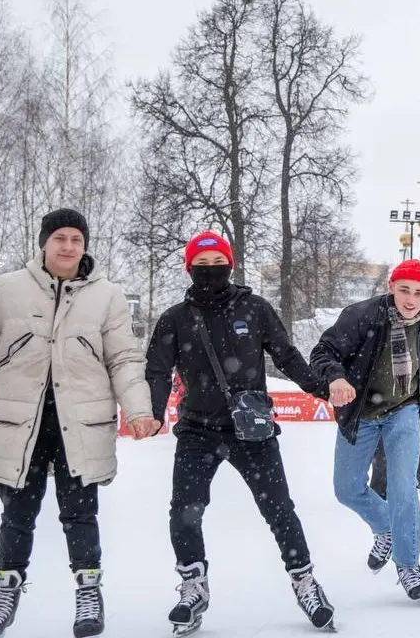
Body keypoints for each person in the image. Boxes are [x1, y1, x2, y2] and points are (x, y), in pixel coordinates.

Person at [0, 208, 161, 638]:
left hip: (80, 423)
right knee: (17, 514)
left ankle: (88, 591)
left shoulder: (107, 296)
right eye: (59, 238)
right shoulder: (7, 289)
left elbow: (123, 359)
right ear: (44, 242)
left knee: (80, 514)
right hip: (19, 421)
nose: (67, 246)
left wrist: (138, 409)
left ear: (85, 245)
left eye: (76, 239)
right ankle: (6, 591)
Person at [144, 231, 336, 633]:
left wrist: (320, 387)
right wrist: (154, 410)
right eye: (203, 264)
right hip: (197, 431)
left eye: (219, 263)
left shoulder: (255, 309)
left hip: (252, 432)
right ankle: (193, 584)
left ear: (230, 265)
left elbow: (286, 355)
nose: (211, 270)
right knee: (184, 512)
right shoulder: (175, 319)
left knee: (279, 509)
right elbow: (157, 370)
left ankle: (305, 581)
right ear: (189, 268)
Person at [309, 259, 420, 604]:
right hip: (360, 411)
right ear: (392, 287)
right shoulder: (362, 315)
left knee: (404, 487)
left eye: (419, 293)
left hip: (405, 410)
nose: (410, 299)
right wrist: (336, 377)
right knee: (347, 489)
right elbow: (322, 352)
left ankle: (407, 564)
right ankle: (385, 527)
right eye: (404, 290)